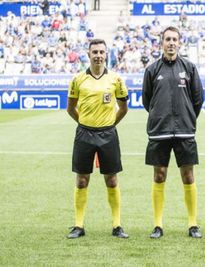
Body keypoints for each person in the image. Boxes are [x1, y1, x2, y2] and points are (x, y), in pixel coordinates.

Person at [142, 26, 204, 239]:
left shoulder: (189, 68)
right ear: (161, 43)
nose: (171, 43)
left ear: (179, 42)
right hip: (159, 131)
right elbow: (146, 101)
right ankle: (158, 225)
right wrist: (160, 116)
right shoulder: (151, 69)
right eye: (167, 39)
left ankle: (193, 224)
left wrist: (187, 117)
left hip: (185, 131)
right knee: (159, 175)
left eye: (174, 39)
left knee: (188, 176)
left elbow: (198, 100)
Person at [66, 39, 129, 239]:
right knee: (82, 180)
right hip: (84, 133)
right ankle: (78, 225)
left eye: (102, 51)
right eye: (95, 52)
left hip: (108, 134)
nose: (98, 55)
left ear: (106, 53)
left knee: (111, 179)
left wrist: (110, 124)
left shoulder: (116, 79)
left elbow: (124, 108)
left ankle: (117, 225)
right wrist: (84, 123)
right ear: (89, 54)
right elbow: (70, 108)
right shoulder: (77, 79)